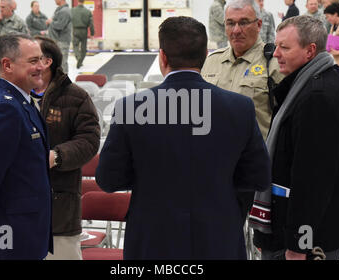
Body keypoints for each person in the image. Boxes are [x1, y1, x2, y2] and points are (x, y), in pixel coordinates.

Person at [95, 16, 271, 260]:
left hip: (153, 240)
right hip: (219, 237)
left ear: (163, 57)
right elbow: (258, 177)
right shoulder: (240, 107)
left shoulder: (131, 108)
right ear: (205, 55)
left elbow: (108, 180)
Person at [250, 15, 339, 260]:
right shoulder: (307, 85)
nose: (275, 53)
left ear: (310, 50)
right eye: (276, 45)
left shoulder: (317, 97)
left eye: (285, 47)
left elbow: (313, 180)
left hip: (308, 240)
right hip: (297, 231)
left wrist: (299, 246)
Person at [0, 33, 53, 259]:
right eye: (33, 61)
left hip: (26, 228)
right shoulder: (5, 110)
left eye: (42, 60)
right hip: (11, 231)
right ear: (7, 65)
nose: (41, 66)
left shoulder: (20, 102)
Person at [202, 0, 284, 221]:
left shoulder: (274, 62)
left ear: (258, 25)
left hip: (251, 171)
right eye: (230, 23)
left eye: (244, 22)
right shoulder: (211, 62)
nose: (236, 30)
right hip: (211, 167)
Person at [32, 35, 100, 260]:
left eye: (30, 57)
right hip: (17, 207)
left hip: (59, 207)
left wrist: (56, 156)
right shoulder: (13, 96)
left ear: (46, 61)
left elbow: (89, 140)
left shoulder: (76, 97)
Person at [47, 0, 72, 73]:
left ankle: (64, 83)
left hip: (62, 41)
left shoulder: (64, 11)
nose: (54, 0)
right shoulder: (60, 10)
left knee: (62, 63)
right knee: (59, 63)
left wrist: (51, 22)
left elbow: (60, 26)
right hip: (57, 41)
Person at [71, 0, 95, 69]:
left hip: (75, 30)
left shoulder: (72, 10)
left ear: (78, 1)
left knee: (75, 45)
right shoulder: (87, 12)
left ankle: (78, 57)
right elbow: (91, 24)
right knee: (83, 47)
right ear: (84, 1)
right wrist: (92, 33)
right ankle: (80, 60)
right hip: (84, 31)